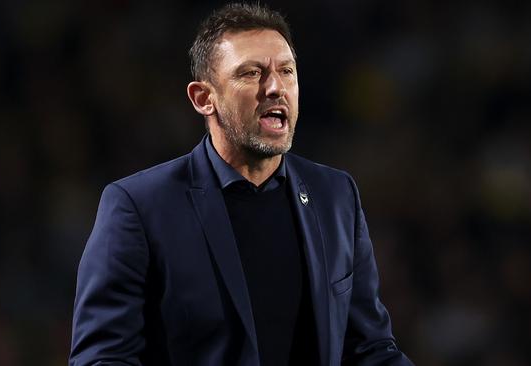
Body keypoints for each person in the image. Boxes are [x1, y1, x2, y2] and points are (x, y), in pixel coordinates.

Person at [69, 3, 413, 366]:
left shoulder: (335, 195)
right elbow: (102, 357)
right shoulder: (139, 207)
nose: (276, 87)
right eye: (251, 73)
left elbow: (370, 349)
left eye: (287, 71)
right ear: (204, 98)